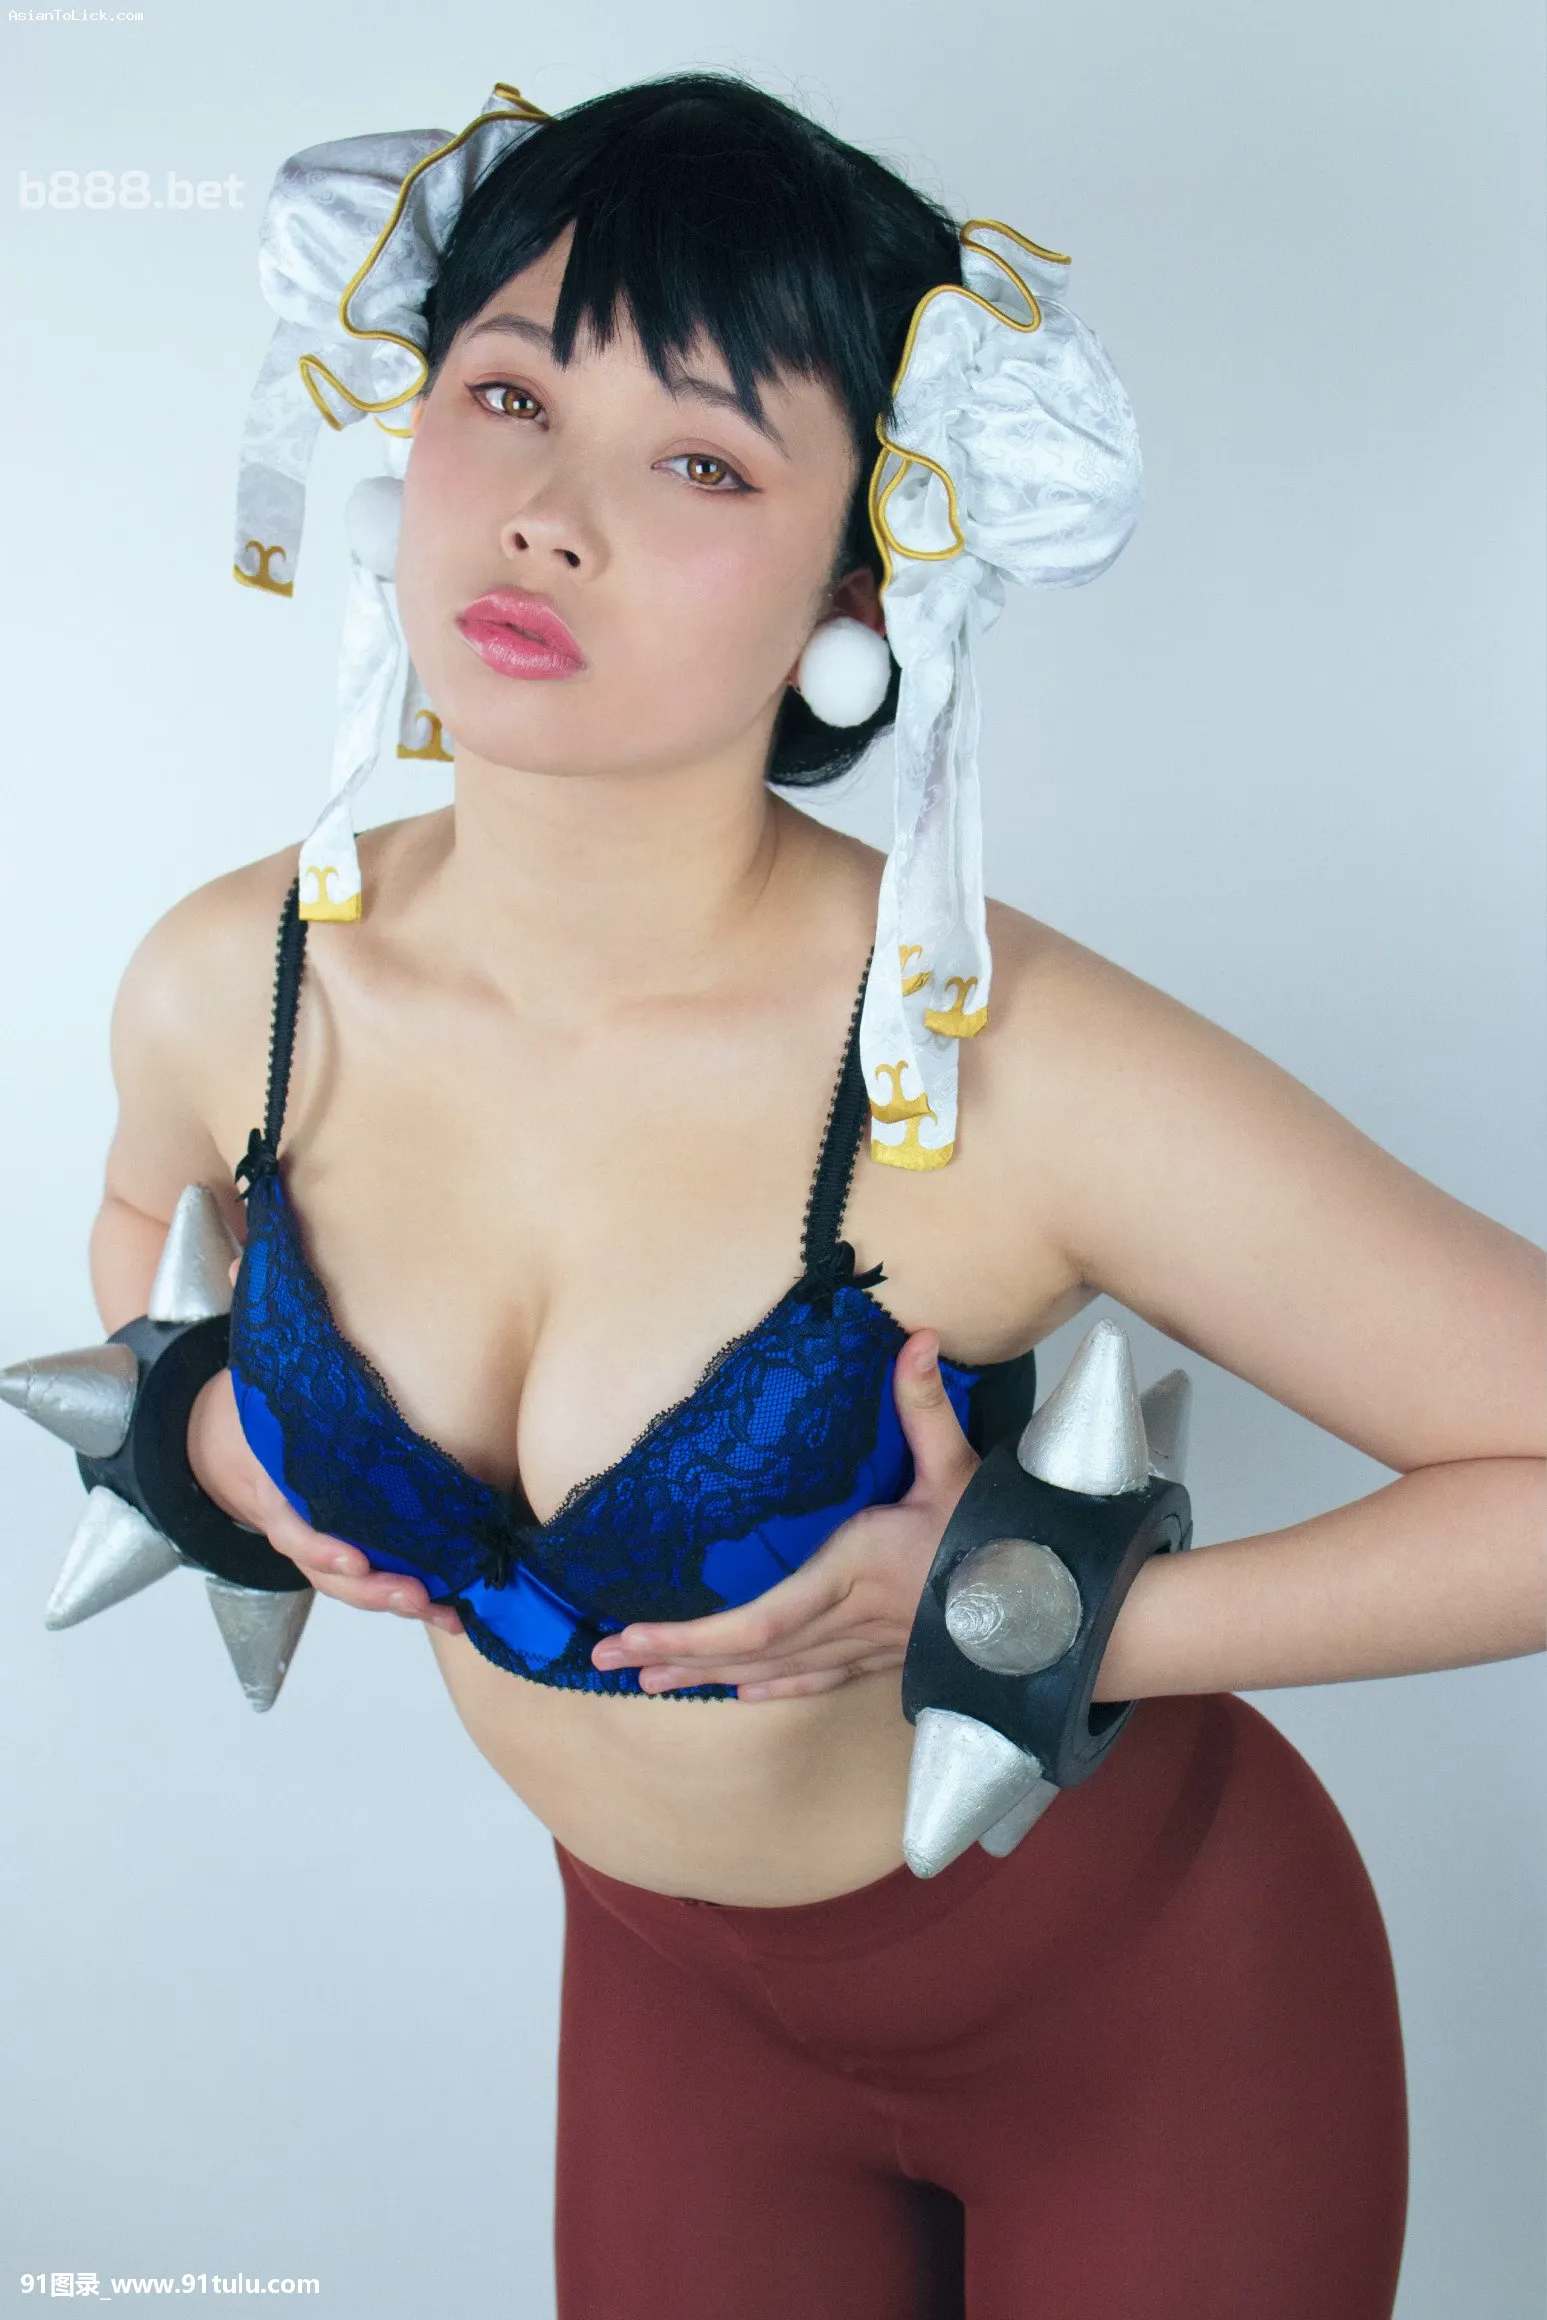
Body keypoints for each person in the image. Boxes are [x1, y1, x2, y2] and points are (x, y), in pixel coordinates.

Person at [86, 69, 1542, 2320]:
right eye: (507, 395)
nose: (547, 519)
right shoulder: (233, 984)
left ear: (858, 575)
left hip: (1151, 2014)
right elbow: (143, 1240)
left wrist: (1043, 1618)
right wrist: (208, 1428)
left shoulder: (995, 1061)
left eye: (697, 460)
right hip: (673, 2009)